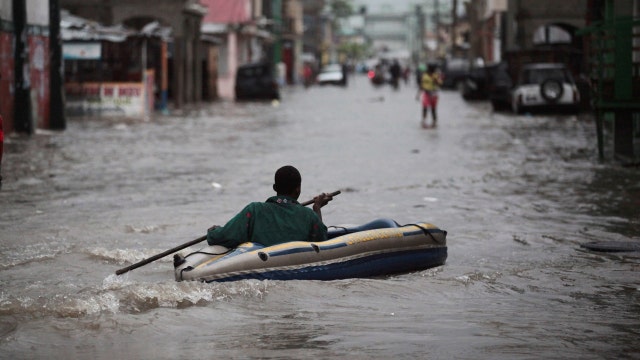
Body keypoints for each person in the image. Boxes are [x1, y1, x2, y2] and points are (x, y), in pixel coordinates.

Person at [206, 166, 334, 248]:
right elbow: (322, 243)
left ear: (274, 188)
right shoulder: (309, 216)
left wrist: (213, 231)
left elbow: (224, 236)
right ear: (298, 189)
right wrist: (317, 209)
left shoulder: (255, 210)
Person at [416, 64, 443, 128]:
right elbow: (421, 85)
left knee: (433, 108)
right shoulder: (424, 75)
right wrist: (418, 94)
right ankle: (424, 120)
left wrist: (435, 80)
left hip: (434, 94)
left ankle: (434, 121)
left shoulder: (436, 75)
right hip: (426, 93)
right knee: (425, 107)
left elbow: (440, 84)